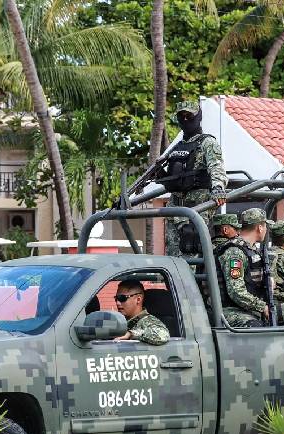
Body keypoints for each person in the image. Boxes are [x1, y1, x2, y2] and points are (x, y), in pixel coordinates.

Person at [162, 100, 228, 258]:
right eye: (181, 116)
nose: (185, 120)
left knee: (190, 253)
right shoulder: (177, 147)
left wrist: (218, 188)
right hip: (175, 208)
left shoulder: (207, 143)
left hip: (197, 208)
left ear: (198, 117)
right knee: (172, 256)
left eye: (189, 116)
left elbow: (217, 167)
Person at [210, 212, 269, 328]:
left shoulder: (251, 250)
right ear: (260, 228)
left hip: (248, 308)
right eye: (266, 227)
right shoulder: (235, 252)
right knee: (256, 326)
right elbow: (236, 291)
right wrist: (262, 306)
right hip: (231, 310)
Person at [113, 280, 170, 345]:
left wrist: (131, 334)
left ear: (138, 299)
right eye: (116, 298)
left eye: (122, 298)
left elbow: (162, 335)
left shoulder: (148, 321)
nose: (117, 303)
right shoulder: (122, 321)